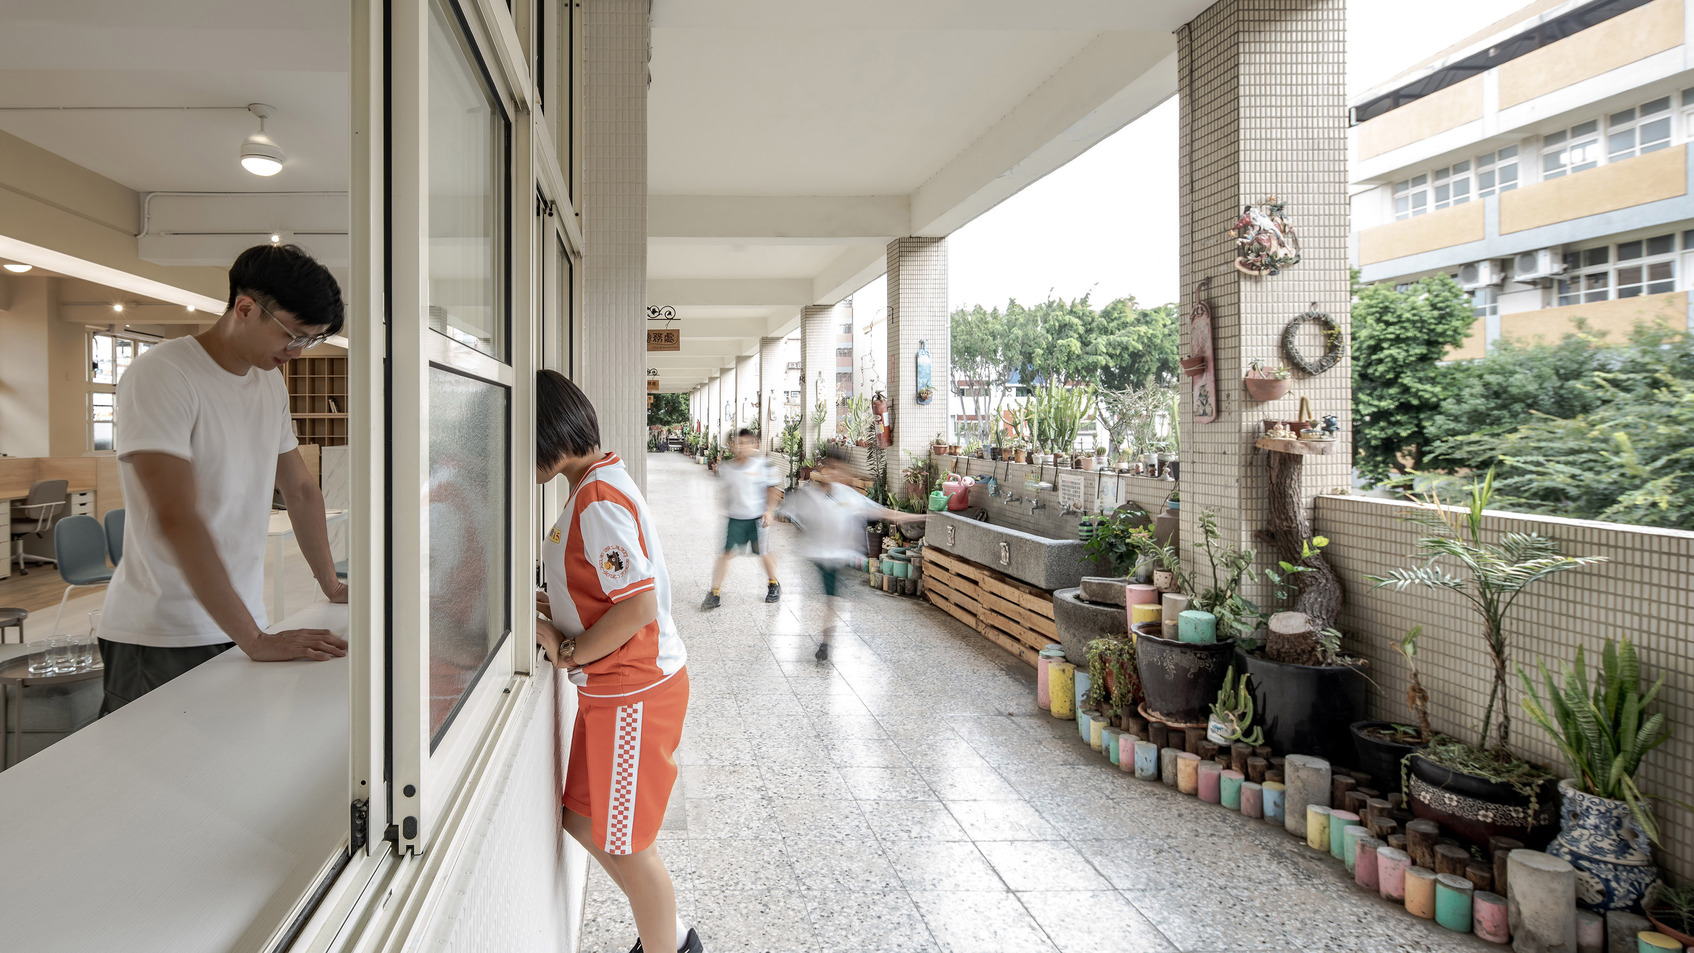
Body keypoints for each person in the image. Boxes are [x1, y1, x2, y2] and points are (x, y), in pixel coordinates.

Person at [97, 244, 349, 714]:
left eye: (310, 342)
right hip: (162, 632)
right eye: (294, 336)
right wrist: (253, 638)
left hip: (240, 624)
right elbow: (178, 516)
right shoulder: (162, 374)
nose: (296, 354)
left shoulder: (267, 382)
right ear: (246, 308)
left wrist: (330, 585)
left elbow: (299, 488)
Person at [531, 370, 700, 953]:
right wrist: (548, 604)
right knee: (582, 820)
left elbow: (637, 606)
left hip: (635, 690)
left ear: (547, 433)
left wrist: (567, 649)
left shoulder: (598, 497)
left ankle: (670, 945)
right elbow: (602, 589)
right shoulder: (595, 484)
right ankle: (666, 931)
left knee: (630, 845)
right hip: (614, 692)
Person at [784, 445, 923, 661]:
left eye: (841, 470)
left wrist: (915, 517)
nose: (837, 474)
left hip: (838, 557)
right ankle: (825, 639)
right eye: (833, 469)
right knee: (827, 600)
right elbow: (796, 516)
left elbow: (881, 512)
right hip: (820, 555)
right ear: (826, 470)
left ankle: (825, 643)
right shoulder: (814, 496)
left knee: (831, 600)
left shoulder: (850, 496)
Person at [700, 428, 781, 609]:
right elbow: (726, 490)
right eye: (738, 443)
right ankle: (714, 593)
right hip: (735, 518)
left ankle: (773, 584)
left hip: (757, 519)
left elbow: (773, 489)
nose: (742, 447)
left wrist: (769, 511)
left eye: (746, 443)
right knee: (725, 554)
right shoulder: (727, 467)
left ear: (754, 444)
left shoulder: (763, 465)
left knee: (764, 552)